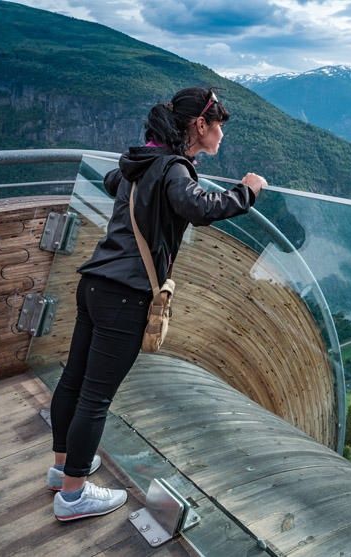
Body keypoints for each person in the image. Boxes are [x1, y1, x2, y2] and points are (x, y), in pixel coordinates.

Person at [47, 86, 266, 521]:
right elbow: (199, 207)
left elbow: (113, 181)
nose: (222, 133)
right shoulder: (174, 169)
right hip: (126, 294)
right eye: (218, 124)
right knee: (95, 397)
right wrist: (248, 191)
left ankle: (61, 469)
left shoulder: (139, 162)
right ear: (199, 126)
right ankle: (72, 496)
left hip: (94, 282)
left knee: (73, 380)